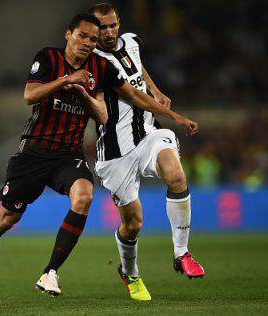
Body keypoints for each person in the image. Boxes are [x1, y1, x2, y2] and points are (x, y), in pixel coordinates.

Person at [0, 12, 198, 310]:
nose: (87, 43)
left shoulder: (100, 66)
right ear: (68, 35)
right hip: (34, 152)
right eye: (82, 36)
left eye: (92, 39)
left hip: (68, 154)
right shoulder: (48, 58)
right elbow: (30, 95)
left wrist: (84, 94)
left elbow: (106, 114)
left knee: (84, 195)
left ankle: (50, 272)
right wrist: (66, 80)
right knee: (7, 219)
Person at [89, 3, 205, 302]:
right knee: (133, 224)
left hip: (149, 135)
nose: (110, 32)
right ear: (93, 30)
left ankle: (182, 253)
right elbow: (133, 96)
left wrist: (155, 89)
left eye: (113, 25)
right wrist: (177, 117)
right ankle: (130, 272)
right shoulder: (94, 63)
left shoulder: (132, 41)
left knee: (176, 176)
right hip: (116, 153)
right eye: (103, 27)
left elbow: (138, 67)